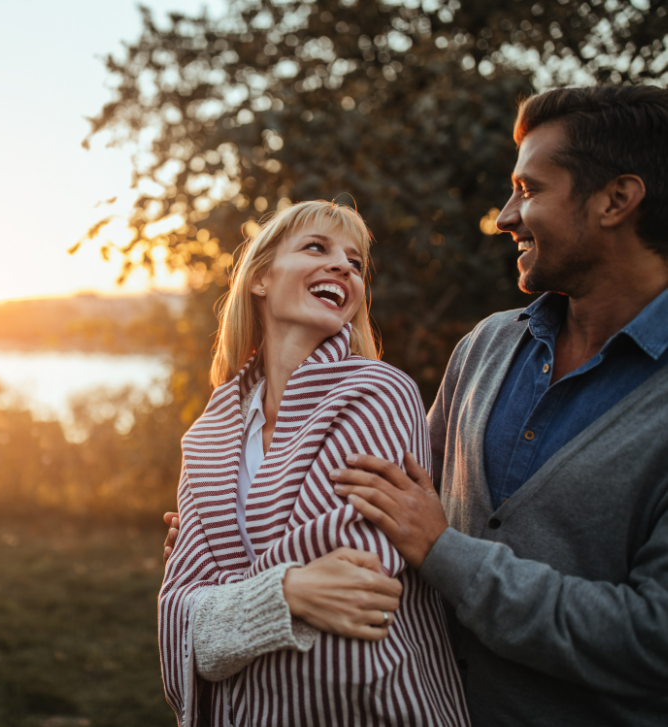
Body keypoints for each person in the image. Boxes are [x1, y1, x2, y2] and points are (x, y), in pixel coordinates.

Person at [318, 86, 668, 726]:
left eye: (530, 191)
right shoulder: (487, 344)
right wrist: (237, 531)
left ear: (617, 199)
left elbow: (652, 638)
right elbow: (392, 501)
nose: (505, 216)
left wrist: (447, 552)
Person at [159, 199, 468, 726]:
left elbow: (359, 577)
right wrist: (287, 589)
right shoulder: (207, 437)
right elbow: (175, 631)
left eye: (355, 262)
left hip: (379, 710)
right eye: (316, 248)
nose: (343, 267)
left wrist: (223, 601)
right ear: (260, 279)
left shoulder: (379, 393)